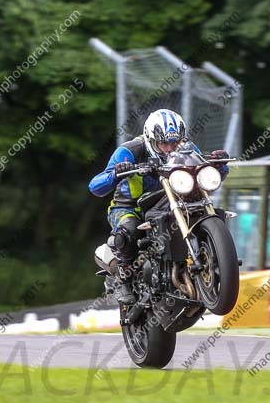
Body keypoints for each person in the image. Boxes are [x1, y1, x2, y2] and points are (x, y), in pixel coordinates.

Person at [89, 109, 230, 305]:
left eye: (175, 142)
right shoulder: (129, 150)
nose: (170, 148)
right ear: (151, 139)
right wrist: (116, 173)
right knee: (129, 229)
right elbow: (95, 186)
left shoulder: (187, 148)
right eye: (164, 143)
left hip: (171, 203)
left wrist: (219, 165)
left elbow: (207, 168)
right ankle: (123, 278)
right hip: (129, 207)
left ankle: (211, 258)